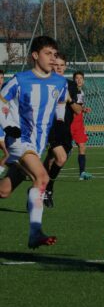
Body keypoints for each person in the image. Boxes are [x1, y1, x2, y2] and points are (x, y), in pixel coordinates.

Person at [0, 35, 68, 248]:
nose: (53, 59)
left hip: (37, 146)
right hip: (19, 140)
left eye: (55, 54)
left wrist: (59, 125)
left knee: (4, 192)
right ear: (35, 55)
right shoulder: (20, 80)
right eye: (48, 54)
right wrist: (7, 124)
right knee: (42, 177)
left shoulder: (60, 82)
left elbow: (59, 108)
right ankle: (35, 233)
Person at [43, 53, 82, 208]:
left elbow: (78, 110)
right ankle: (48, 189)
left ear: (65, 67)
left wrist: (69, 99)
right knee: (61, 158)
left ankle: (38, 187)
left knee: (51, 160)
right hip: (49, 127)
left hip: (65, 130)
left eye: (61, 65)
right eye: (56, 65)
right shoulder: (45, 83)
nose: (58, 68)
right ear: (52, 66)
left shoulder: (71, 86)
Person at [70, 71, 93, 180]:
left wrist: (83, 109)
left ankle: (82, 173)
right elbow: (73, 107)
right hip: (70, 122)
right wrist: (82, 109)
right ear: (73, 80)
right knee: (62, 151)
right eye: (76, 78)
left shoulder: (81, 92)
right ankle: (47, 171)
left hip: (79, 123)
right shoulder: (71, 92)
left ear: (83, 81)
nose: (79, 80)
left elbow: (78, 108)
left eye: (81, 78)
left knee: (82, 146)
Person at [0, 70, 9, 178]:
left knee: (10, 154)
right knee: (8, 154)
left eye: (2, 78)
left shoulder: (5, 92)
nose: (0, 80)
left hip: (3, 129)